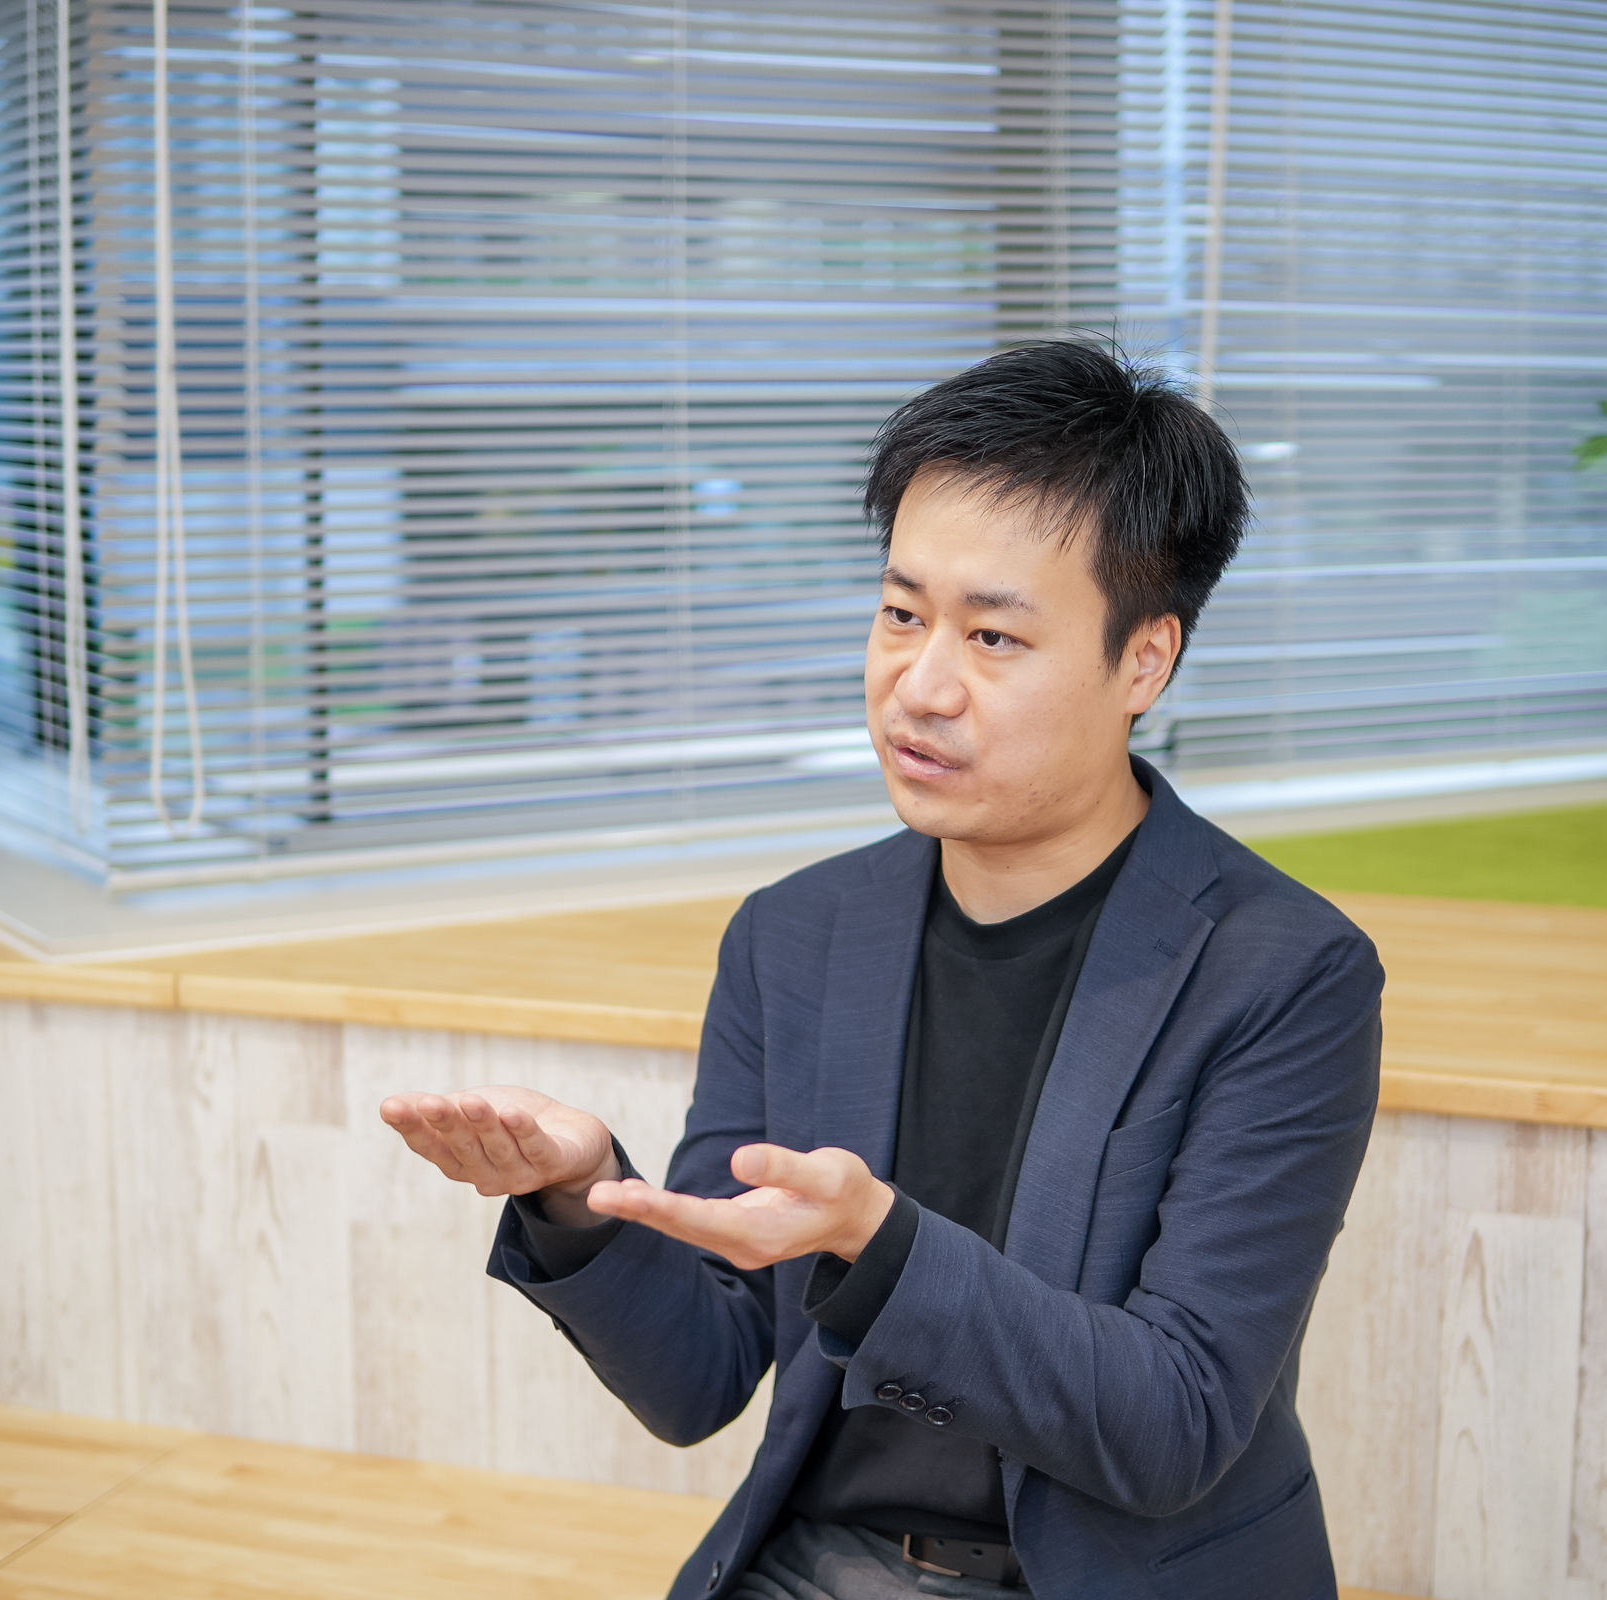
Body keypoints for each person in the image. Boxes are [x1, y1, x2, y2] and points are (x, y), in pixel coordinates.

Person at [380, 340, 1382, 1600]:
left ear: (1144, 660)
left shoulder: (1283, 975)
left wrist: (880, 1242)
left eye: (994, 636)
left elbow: (1172, 1423)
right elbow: (700, 1378)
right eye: (903, 614)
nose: (921, 685)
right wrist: (582, 1197)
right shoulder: (795, 936)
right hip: (817, 1568)